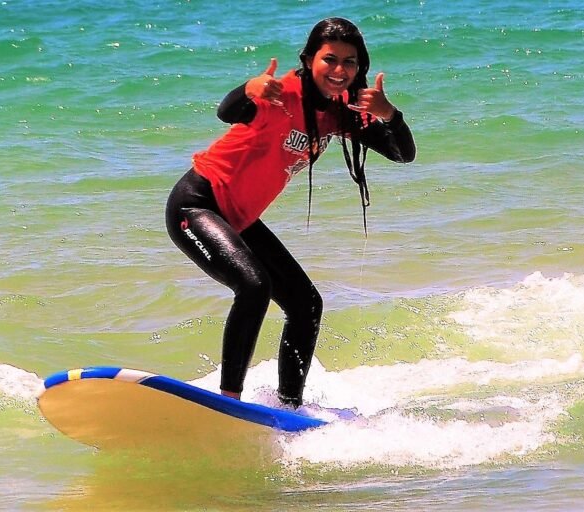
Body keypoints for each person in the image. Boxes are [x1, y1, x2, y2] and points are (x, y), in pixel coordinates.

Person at [165, 17, 415, 408]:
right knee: (253, 286)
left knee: (305, 304)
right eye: (329, 59)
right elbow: (227, 112)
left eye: (349, 63)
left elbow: (403, 154)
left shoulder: (340, 112)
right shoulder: (283, 94)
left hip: (240, 218)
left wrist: (390, 115)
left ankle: (288, 408)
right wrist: (249, 88)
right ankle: (229, 400)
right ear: (309, 59)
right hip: (197, 203)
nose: (339, 71)